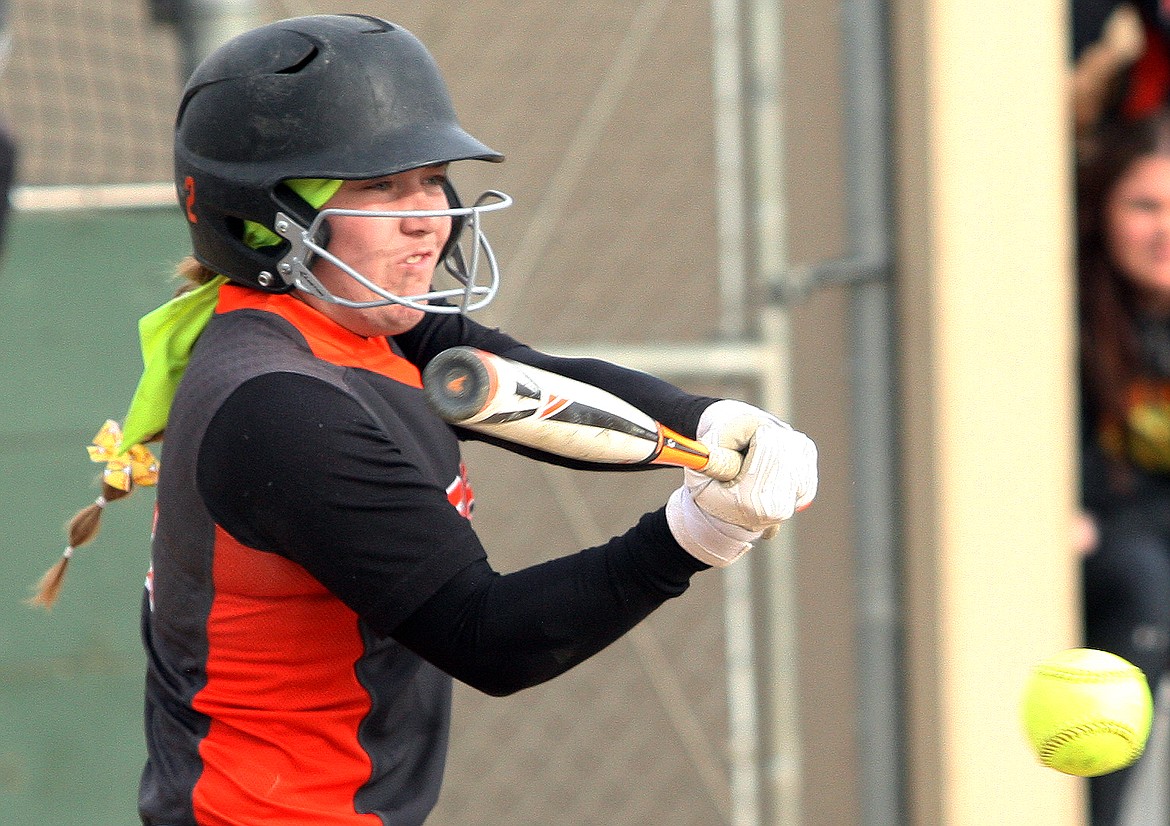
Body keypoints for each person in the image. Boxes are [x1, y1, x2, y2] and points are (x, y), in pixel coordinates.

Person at [32, 15, 817, 825]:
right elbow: (489, 636)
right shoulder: (279, 406)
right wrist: (692, 535)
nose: (429, 217)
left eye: (432, 178)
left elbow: (535, 385)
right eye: (379, 187)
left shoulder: (362, 326)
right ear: (269, 222)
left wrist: (711, 420)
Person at [1077, 108, 1170, 826]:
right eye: (1144, 205)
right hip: (1112, 530)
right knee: (1145, 592)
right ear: (1103, 207)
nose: (1164, 229)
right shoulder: (1072, 311)